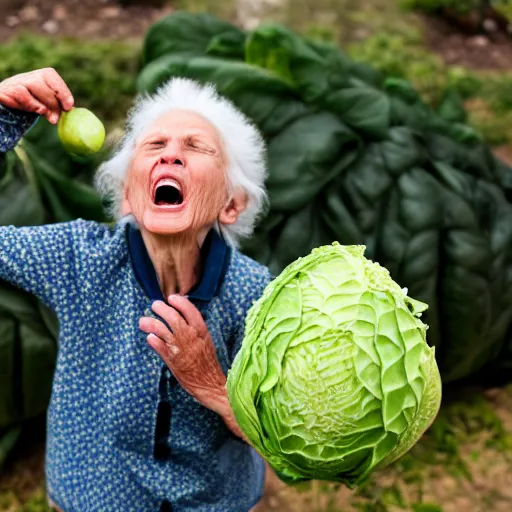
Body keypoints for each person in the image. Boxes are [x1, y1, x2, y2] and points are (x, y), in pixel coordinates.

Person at [0, 68, 272, 512]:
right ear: (128, 195)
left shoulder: (253, 292)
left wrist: (214, 386)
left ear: (231, 203)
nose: (171, 156)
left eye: (196, 147)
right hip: (93, 498)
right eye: (154, 145)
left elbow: (284, 432)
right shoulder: (77, 260)